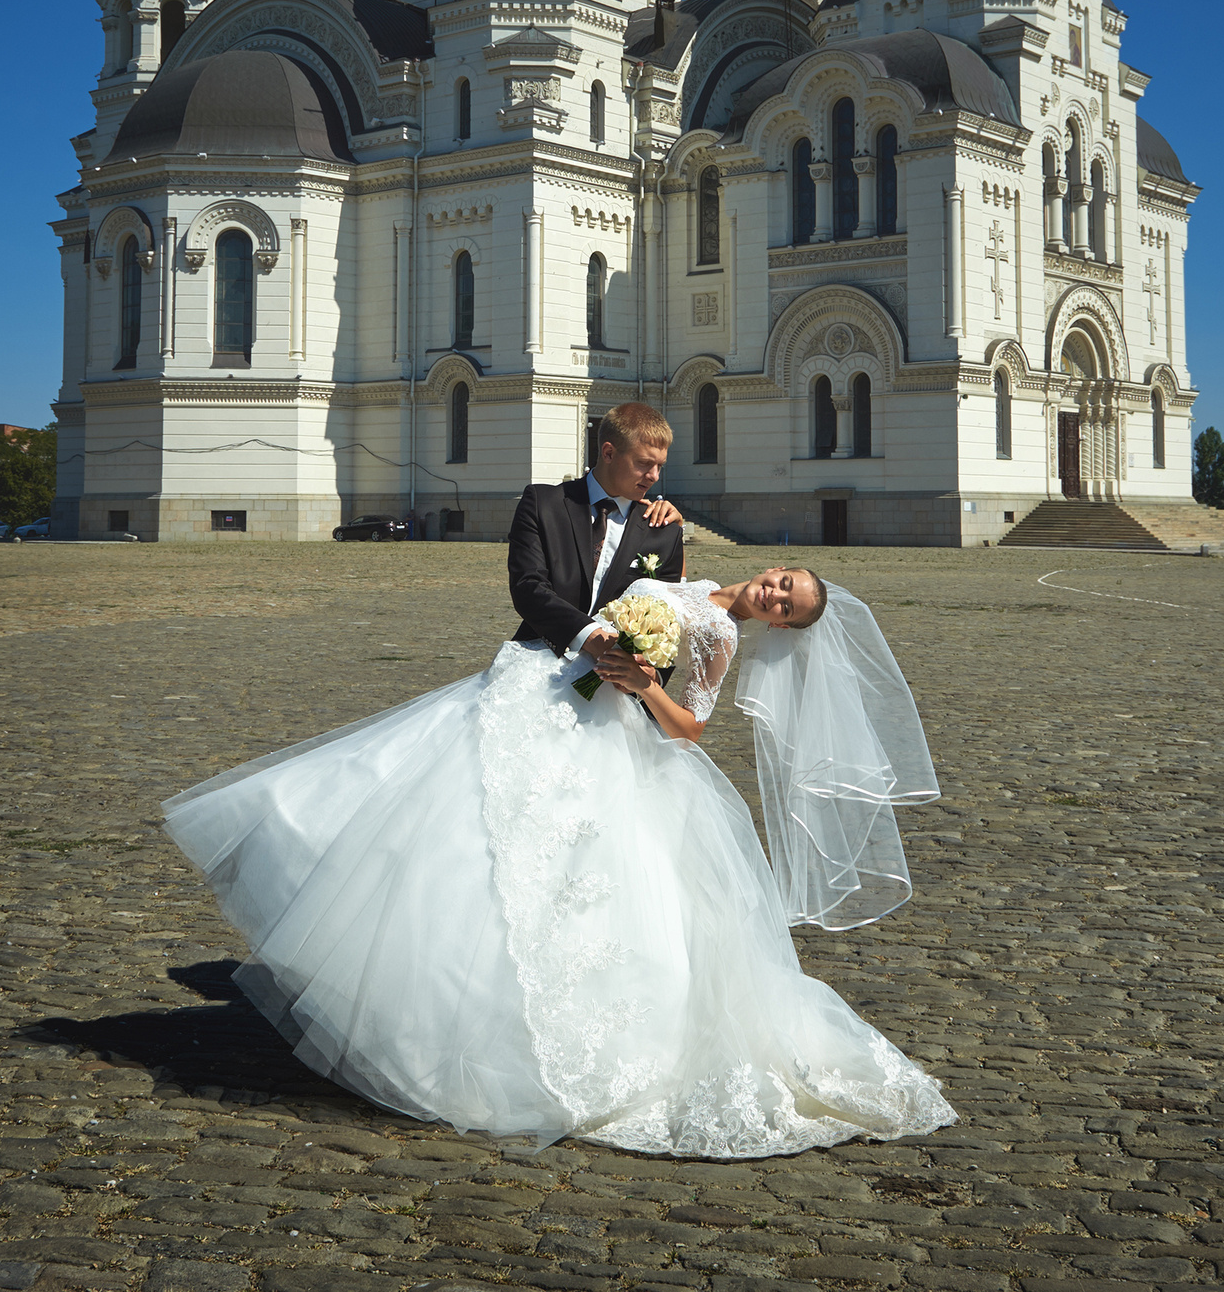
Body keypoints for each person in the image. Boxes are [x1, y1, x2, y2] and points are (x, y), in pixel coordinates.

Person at [161, 402, 952, 1157]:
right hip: (536, 684)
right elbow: (537, 590)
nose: (775, 593)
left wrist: (636, 679)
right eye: (784, 582)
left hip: (608, 723)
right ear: (608, 450)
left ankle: (531, 1035)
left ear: (779, 625)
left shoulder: (684, 568)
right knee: (452, 828)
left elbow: (686, 712)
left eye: (787, 603)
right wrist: (599, 639)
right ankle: (431, 1001)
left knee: (570, 876)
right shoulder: (579, 514)